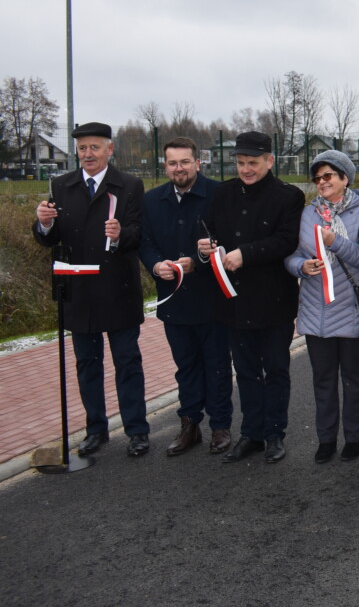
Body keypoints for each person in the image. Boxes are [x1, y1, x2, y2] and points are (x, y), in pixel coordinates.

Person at [33, 122, 150, 457]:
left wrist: (120, 234)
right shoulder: (60, 185)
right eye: (82, 149)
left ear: (109, 150)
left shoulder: (128, 185)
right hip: (79, 292)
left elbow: (139, 234)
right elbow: (50, 239)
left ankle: (137, 431)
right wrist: (44, 222)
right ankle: (96, 429)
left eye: (94, 148)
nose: (88, 154)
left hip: (118, 290)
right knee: (87, 363)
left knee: (127, 362)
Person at [198, 131, 304, 465]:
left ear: (269, 161)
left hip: (273, 299)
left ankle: (275, 433)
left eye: (253, 163)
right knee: (244, 370)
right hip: (233, 300)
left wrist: (246, 253)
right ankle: (252, 433)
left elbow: (286, 241)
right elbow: (209, 232)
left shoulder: (288, 197)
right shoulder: (223, 193)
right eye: (241, 163)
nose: (246, 169)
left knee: (275, 369)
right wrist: (206, 248)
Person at [138, 137, 232, 456]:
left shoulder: (219, 195)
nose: (179, 168)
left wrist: (197, 260)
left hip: (213, 300)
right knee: (186, 366)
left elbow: (227, 239)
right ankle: (190, 423)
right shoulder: (152, 200)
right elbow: (145, 242)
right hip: (173, 302)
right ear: (165, 166)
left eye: (185, 162)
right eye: (173, 163)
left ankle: (220, 425)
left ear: (197, 163)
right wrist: (154, 265)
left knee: (217, 365)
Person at [284, 150, 359, 463]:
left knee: (354, 379)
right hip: (314, 309)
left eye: (328, 176)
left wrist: (335, 241)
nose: (321, 182)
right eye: (317, 178)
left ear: (344, 179)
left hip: (350, 309)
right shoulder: (308, 214)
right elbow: (291, 253)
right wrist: (301, 266)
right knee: (322, 379)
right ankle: (325, 439)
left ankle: (354, 438)